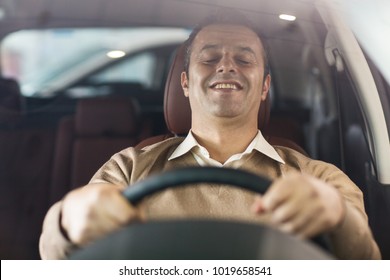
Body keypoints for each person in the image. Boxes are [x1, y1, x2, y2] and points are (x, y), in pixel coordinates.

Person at [39, 11, 381, 260]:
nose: (226, 66)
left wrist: (335, 214)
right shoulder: (128, 168)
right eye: (210, 57)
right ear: (184, 83)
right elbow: (56, 257)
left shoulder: (317, 179)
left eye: (244, 59)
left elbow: (366, 262)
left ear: (265, 87)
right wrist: (69, 220)